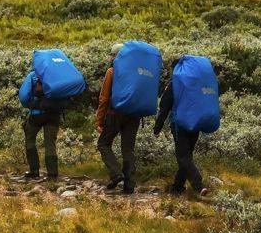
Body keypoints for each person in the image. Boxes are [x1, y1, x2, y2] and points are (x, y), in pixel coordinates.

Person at [96, 39, 161, 194]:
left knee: (103, 144)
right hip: (135, 114)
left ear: (116, 56)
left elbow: (104, 98)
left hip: (116, 113)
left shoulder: (112, 71)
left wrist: (99, 120)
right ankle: (130, 185)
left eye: (112, 55)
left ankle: (116, 174)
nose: (110, 58)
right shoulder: (136, 72)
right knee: (128, 149)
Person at [154, 53, 221, 195]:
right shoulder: (195, 85)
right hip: (195, 123)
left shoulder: (174, 84)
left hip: (180, 125)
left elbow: (164, 107)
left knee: (183, 158)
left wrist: (157, 128)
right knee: (186, 157)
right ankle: (177, 187)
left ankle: (199, 185)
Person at [18, 48, 88, 181]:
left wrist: (32, 106)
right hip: (55, 114)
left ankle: (34, 171)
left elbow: (23, 97)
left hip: (37, 115)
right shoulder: (60, 77)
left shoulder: (33, 76)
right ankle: (52, 174)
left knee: (30, 138)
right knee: (50, 143)